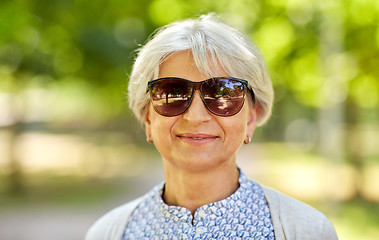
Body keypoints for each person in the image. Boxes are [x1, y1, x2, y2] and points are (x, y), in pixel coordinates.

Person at [86, 13, 338, 240]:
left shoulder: (307, 231)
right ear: (148, 118)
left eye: (222, 95)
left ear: (250, 118)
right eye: (172, 94)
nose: (195, 117)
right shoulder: (107, 233)